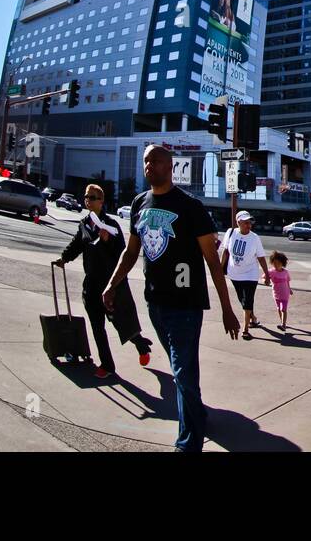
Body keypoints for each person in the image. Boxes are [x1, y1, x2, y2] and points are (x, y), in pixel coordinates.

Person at [103, 144, 239, 452]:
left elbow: (212, 261)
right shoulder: (139, 202)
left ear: (171, 167)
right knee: (184, 371)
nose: (150, 165)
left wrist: (228, 309)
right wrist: (112, 285)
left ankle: (188, 443)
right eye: (146, 161)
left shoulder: (191, 206)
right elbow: (131, 251)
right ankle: (198, 414)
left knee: (181, 371)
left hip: (186, 306)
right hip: (155, 303)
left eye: (157, 161)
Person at [53, 184, 151, 379]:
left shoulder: (111, 224)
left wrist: (107, 241)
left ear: (101, 201)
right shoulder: (84, 224)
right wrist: (64, 259)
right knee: (98, 327)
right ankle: (107, 365)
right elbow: (76, 245)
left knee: (120, 323)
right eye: (86, 196)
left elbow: (124, 252)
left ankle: (140, 344)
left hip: (110, 286)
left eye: (92, 197)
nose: (88, 199)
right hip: (91, 285)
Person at [219, 210, 270, 339]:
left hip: (250, 274)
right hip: (234, 274)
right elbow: (225, 251)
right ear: (238, 222)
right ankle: (252, 317)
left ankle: (245, 329)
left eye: (250, 222)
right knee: (242, 299)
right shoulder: (231, 233)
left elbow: (261, 257)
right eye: (246, 222)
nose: (249, 225)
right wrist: (220, 269)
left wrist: (267, 274)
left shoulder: (254, 238)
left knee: (248, 299)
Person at [266, 250, 293, 330]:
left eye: (278, 263)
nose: (276, 265)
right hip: (276, 294)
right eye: (274, 263)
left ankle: (283, 324)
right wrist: (265, 280)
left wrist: (290, 289)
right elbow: (265, 277)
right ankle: (282, 322)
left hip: (285, 293)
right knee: (278, 309)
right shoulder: (271, 271)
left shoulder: (286, 272)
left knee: (283, 309)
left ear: (283, 263)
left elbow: (287, 281)